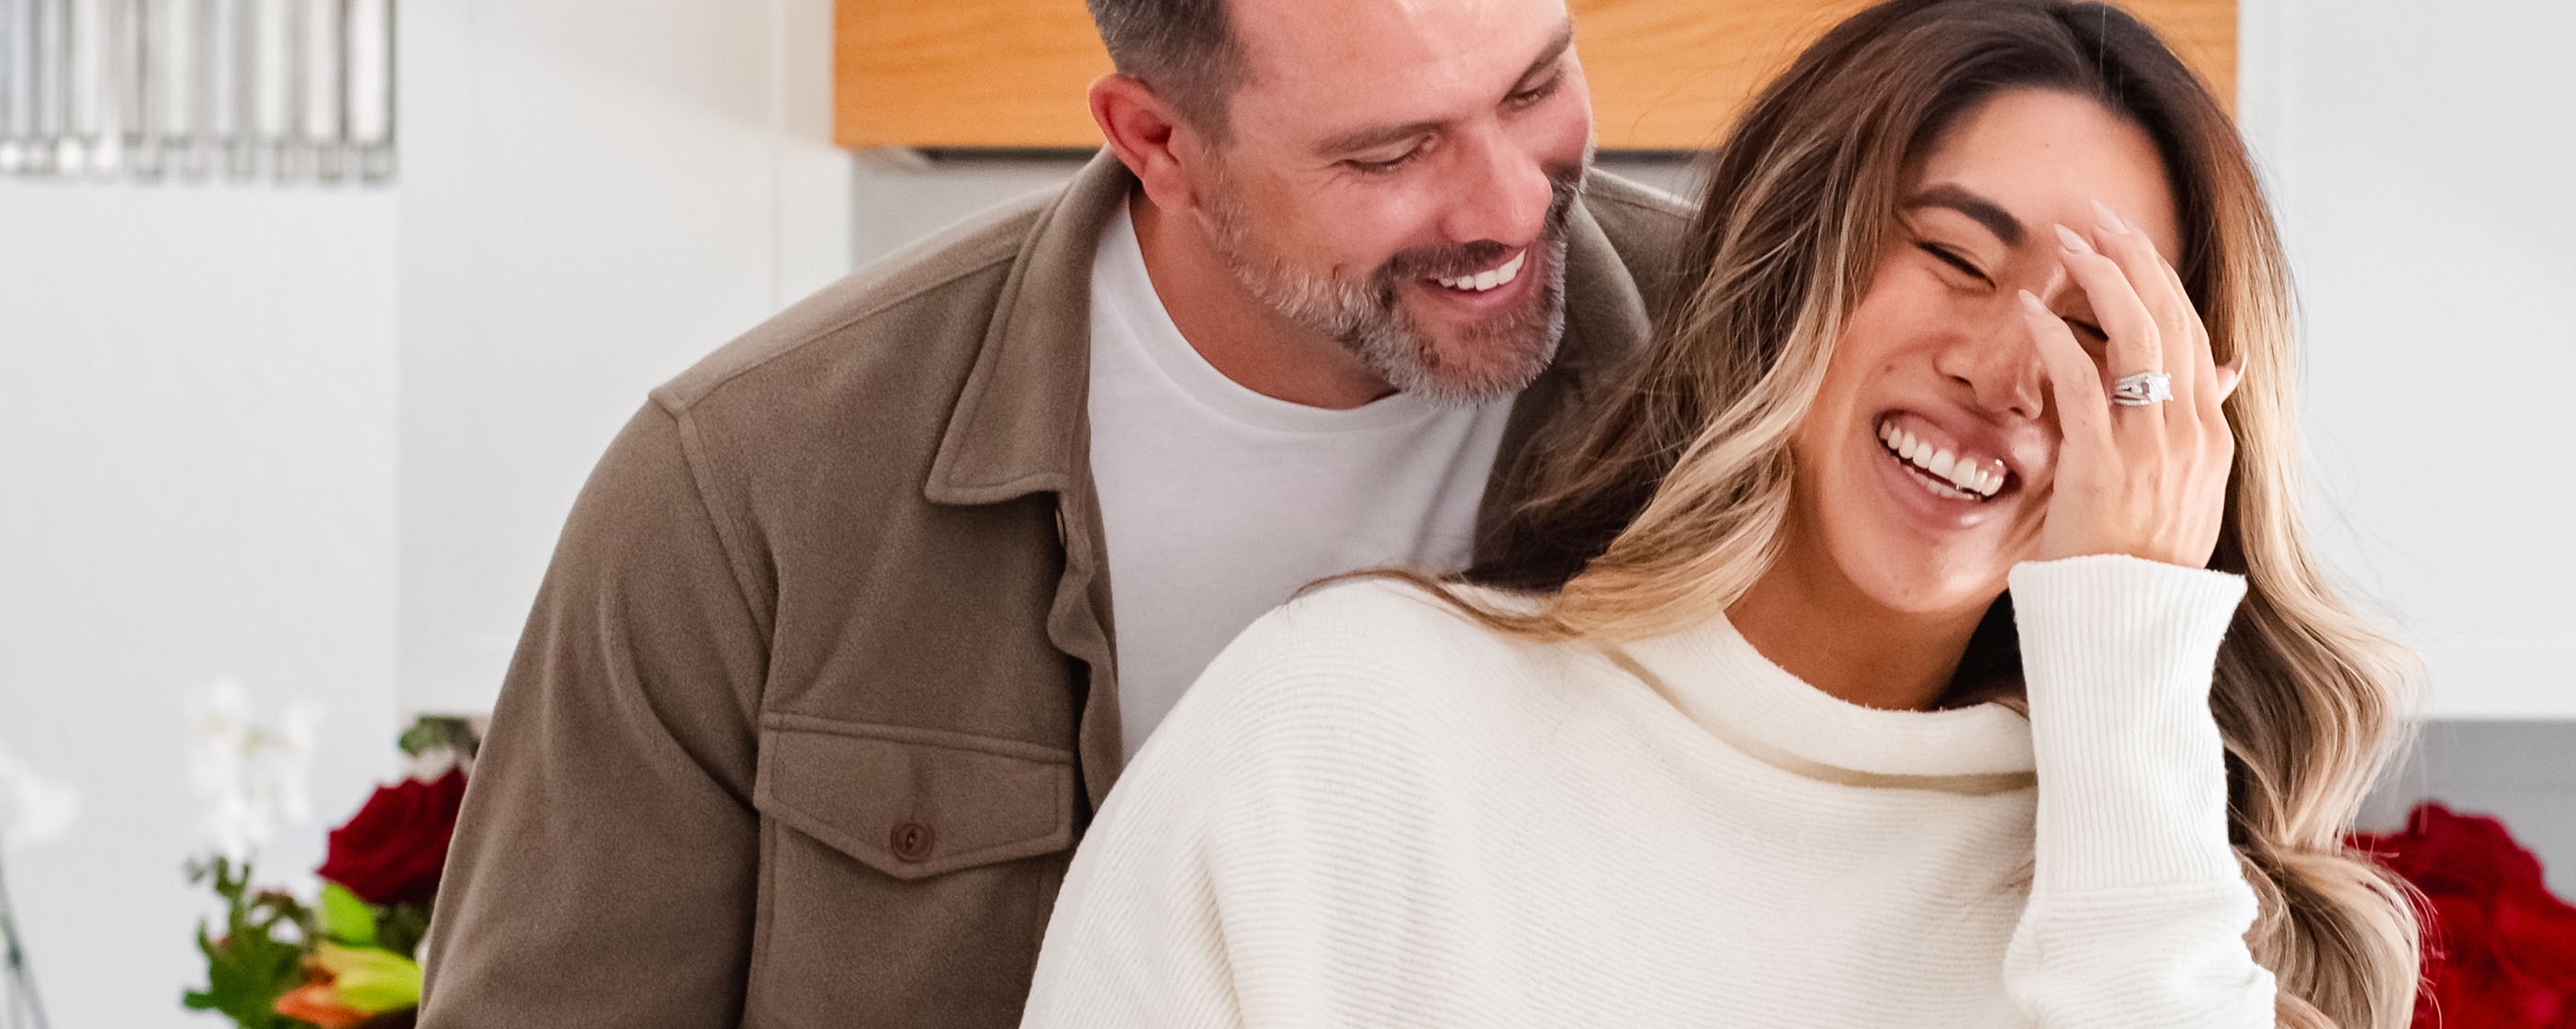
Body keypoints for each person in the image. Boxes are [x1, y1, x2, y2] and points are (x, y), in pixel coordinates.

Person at [1017, 0, 2425, 1026]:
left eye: (2104, 332)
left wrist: (2126, 646)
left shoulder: (2169, 907)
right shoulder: (1342, 737)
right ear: (1787, 266)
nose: (2007, 372)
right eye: (1951, 256)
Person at [412, 0, 1690, 1023]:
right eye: (1391, 152)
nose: (1512, 204)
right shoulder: (743, 489)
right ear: (1158, 142)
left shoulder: (1771, 365)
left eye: (1533, 87)